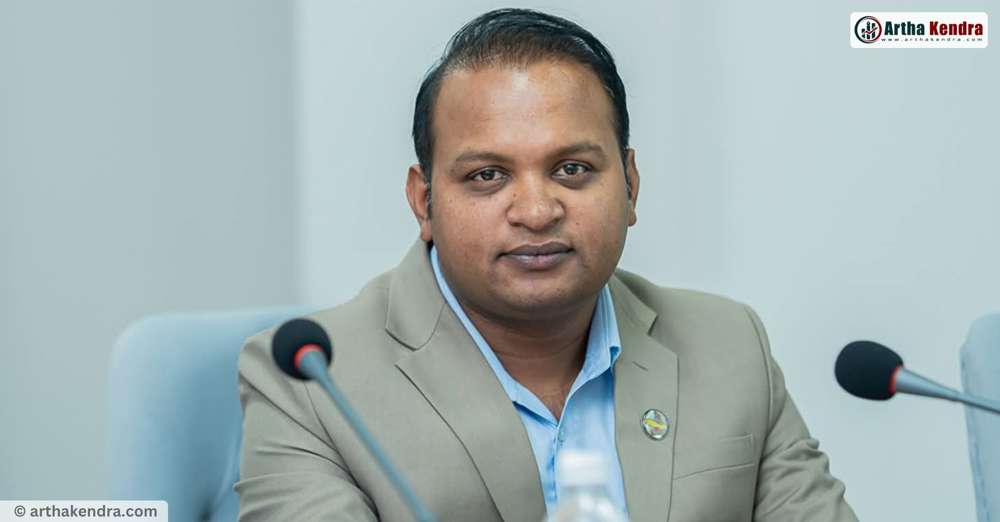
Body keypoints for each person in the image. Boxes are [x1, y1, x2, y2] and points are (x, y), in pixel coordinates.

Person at [236, 8, 858, 521]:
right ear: (424, 201)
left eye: (572, 169)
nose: (536, 211)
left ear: (631, 184)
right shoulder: (312, 385)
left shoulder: (729, 345)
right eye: (487, 176)